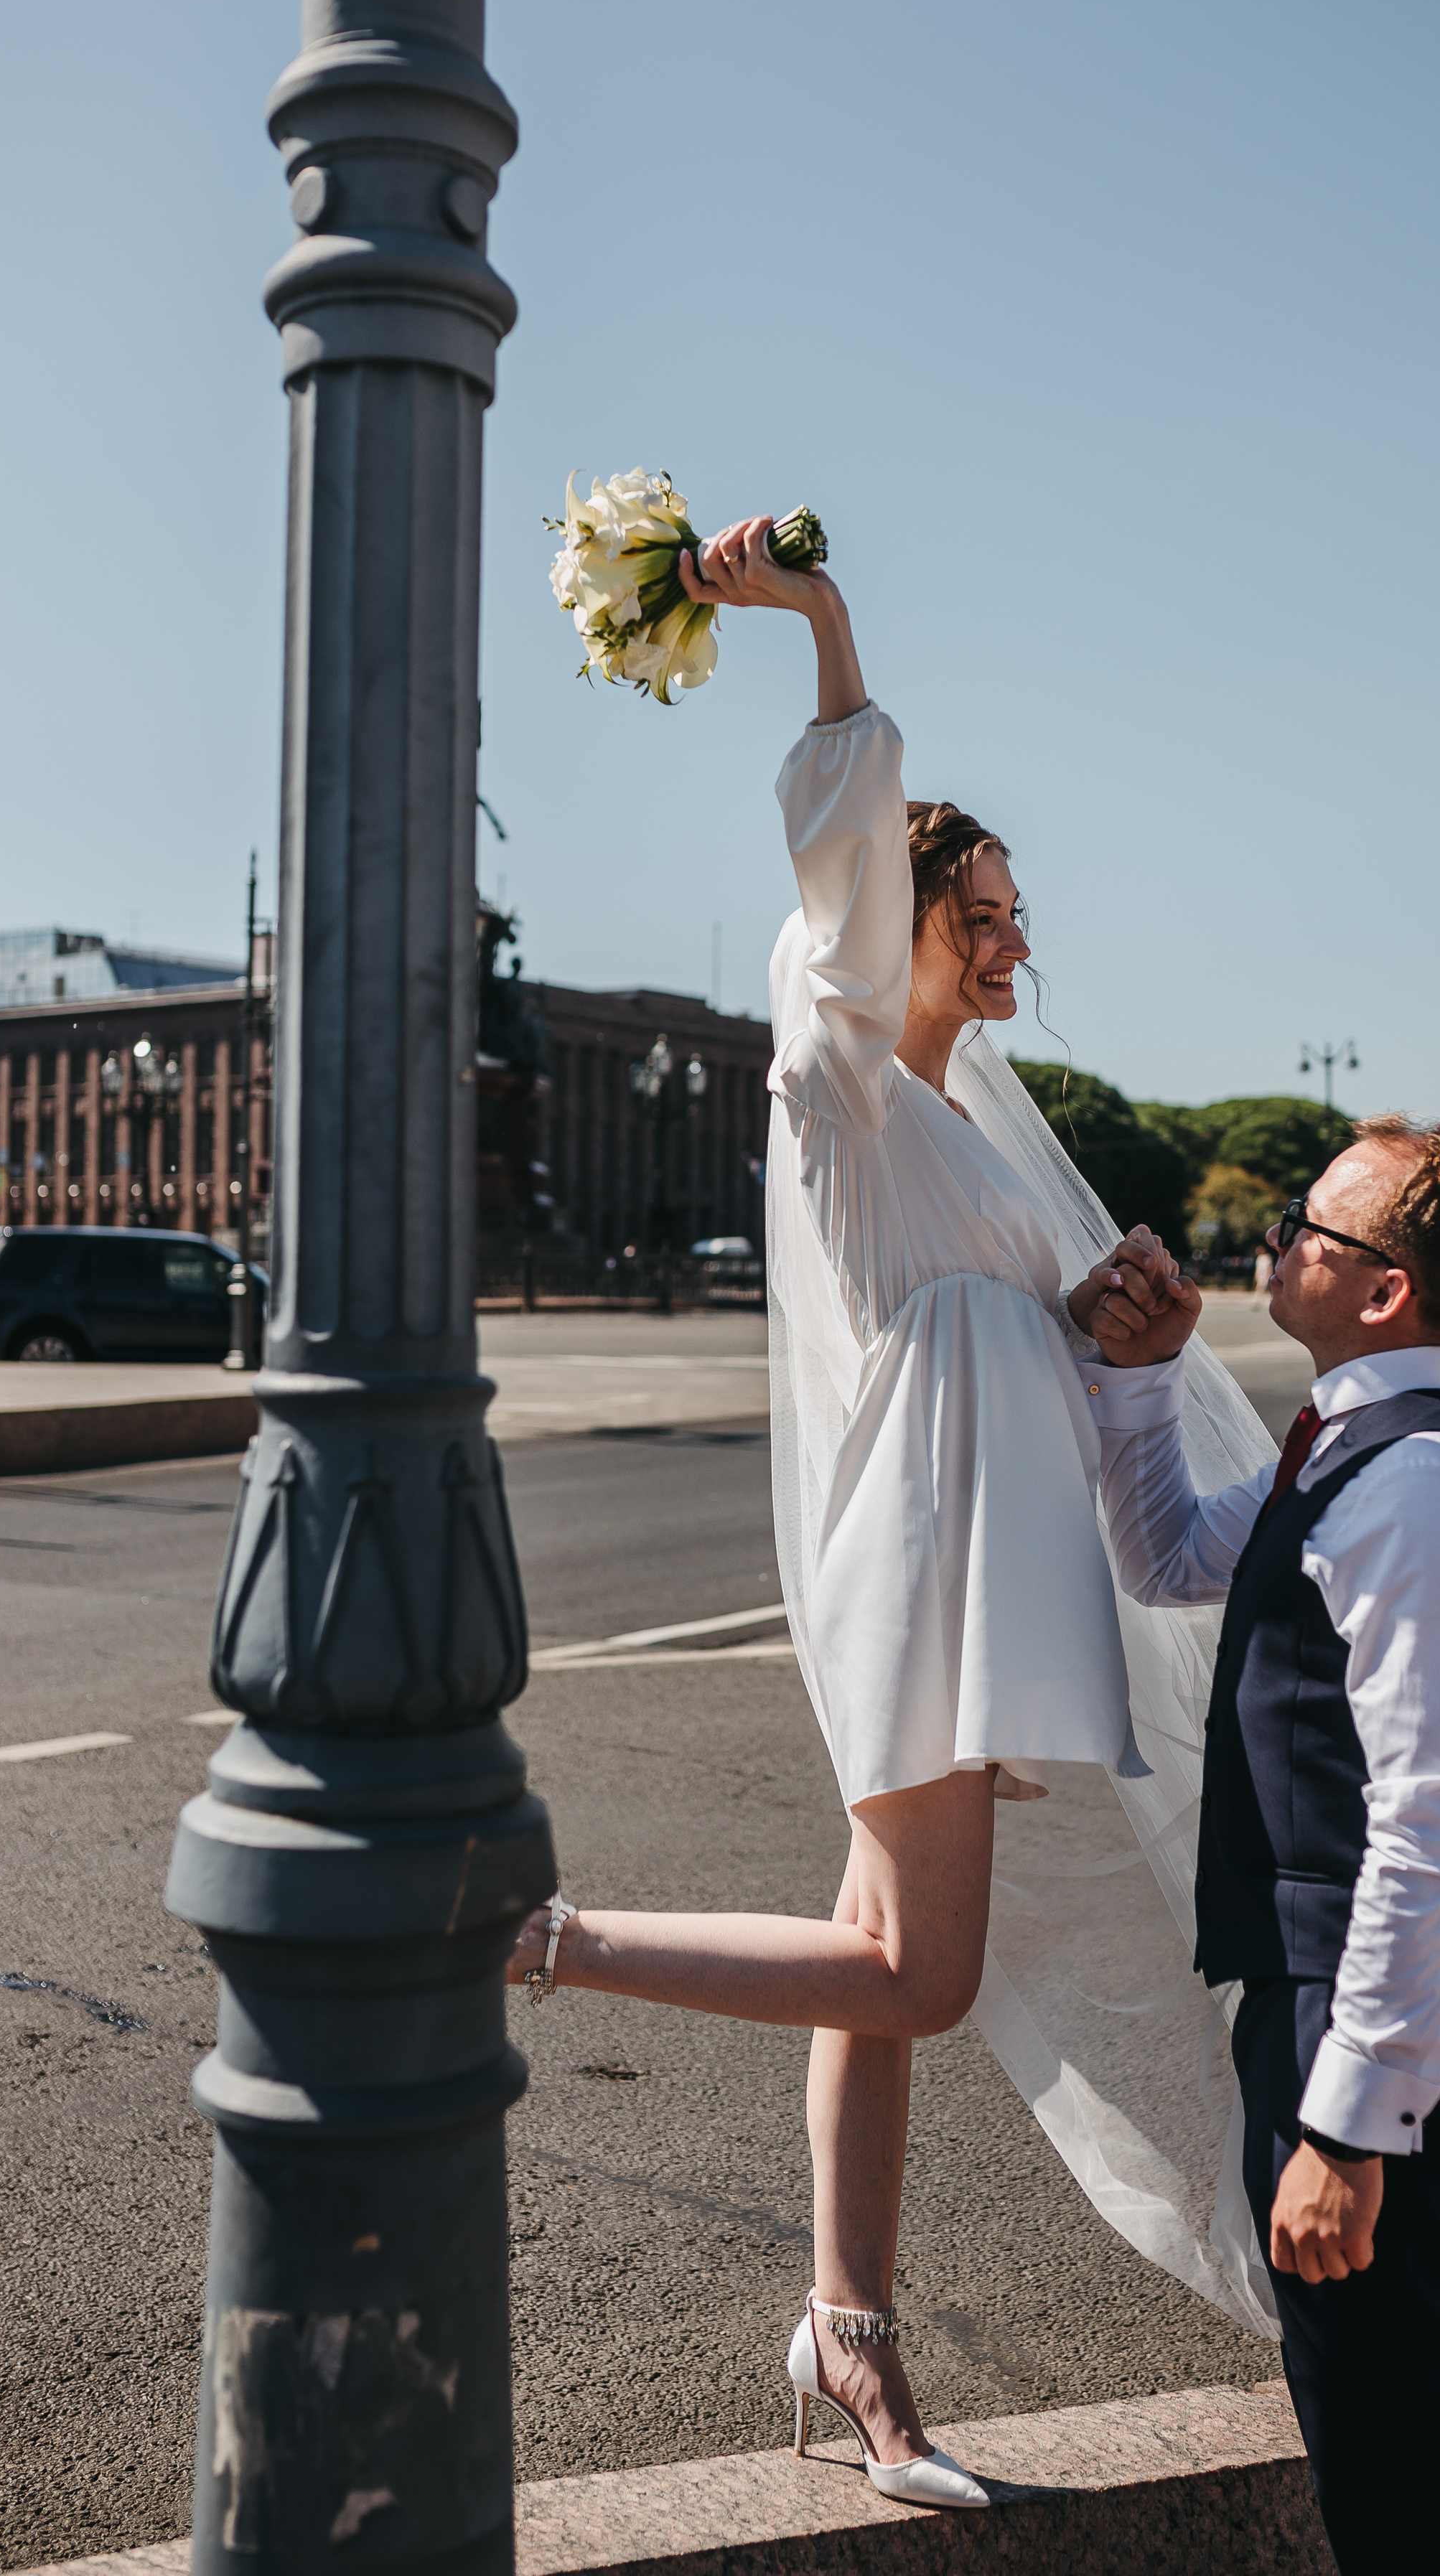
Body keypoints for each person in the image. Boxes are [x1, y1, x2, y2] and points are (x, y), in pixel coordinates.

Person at [505, 519, 1161, 2506]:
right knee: (922, 1979)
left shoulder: (962, 1126)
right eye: (989, 910)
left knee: (881, 1958)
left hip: (974, 1567)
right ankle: (532, 1944)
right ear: (897, 916)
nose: (1017, 940)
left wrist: (1110, 1326)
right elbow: (847, 840)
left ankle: (850, 2333)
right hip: (916, 1564)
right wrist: (822, 620)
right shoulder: (844, 1050)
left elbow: (1015, 1354)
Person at [1070, 1119, 1440, 2575]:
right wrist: (1141, 1378)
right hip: (1324, 1991)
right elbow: (1164, 1557)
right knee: (1368, 2411)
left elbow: (1427, 1828)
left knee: (1393, 2435)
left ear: (1383, 1291)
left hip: (1371, 2012)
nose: (1276, 1235)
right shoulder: (1346, 1442)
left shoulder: (1422, 1485)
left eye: (1311, 1223)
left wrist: (1348, 2129)